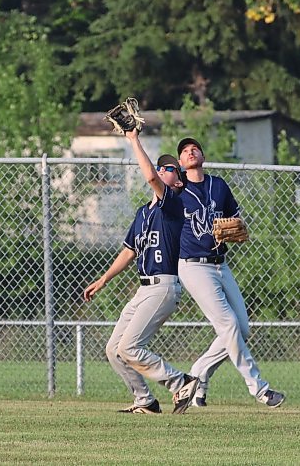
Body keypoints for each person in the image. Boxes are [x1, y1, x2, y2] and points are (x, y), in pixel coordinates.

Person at [84, 129, 199, 415]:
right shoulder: (143, 213)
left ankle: (181, 381)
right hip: (144, 289)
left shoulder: (174, 203)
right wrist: (103, 279)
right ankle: (145, 400)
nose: (163, 170)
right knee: (115, 350)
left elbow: (150, 177)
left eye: (170, 168)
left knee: (131, 347)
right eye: (162, 166)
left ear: (179, 181)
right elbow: (129, 251)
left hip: (163, 286)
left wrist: (133, 139)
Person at [176, 137, 285, 408]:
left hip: (219, 263)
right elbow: (156, 184)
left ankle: (198, 375)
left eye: (194, 148)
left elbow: (237, 219)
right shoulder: (177, 191)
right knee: (228, 325)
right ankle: (260, 389)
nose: (191, 152)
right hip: (192, 265)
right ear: (180, 162)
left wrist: (236, 227)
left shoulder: (218, 185)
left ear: (203, 155)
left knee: (242, 329)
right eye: (185, 151)